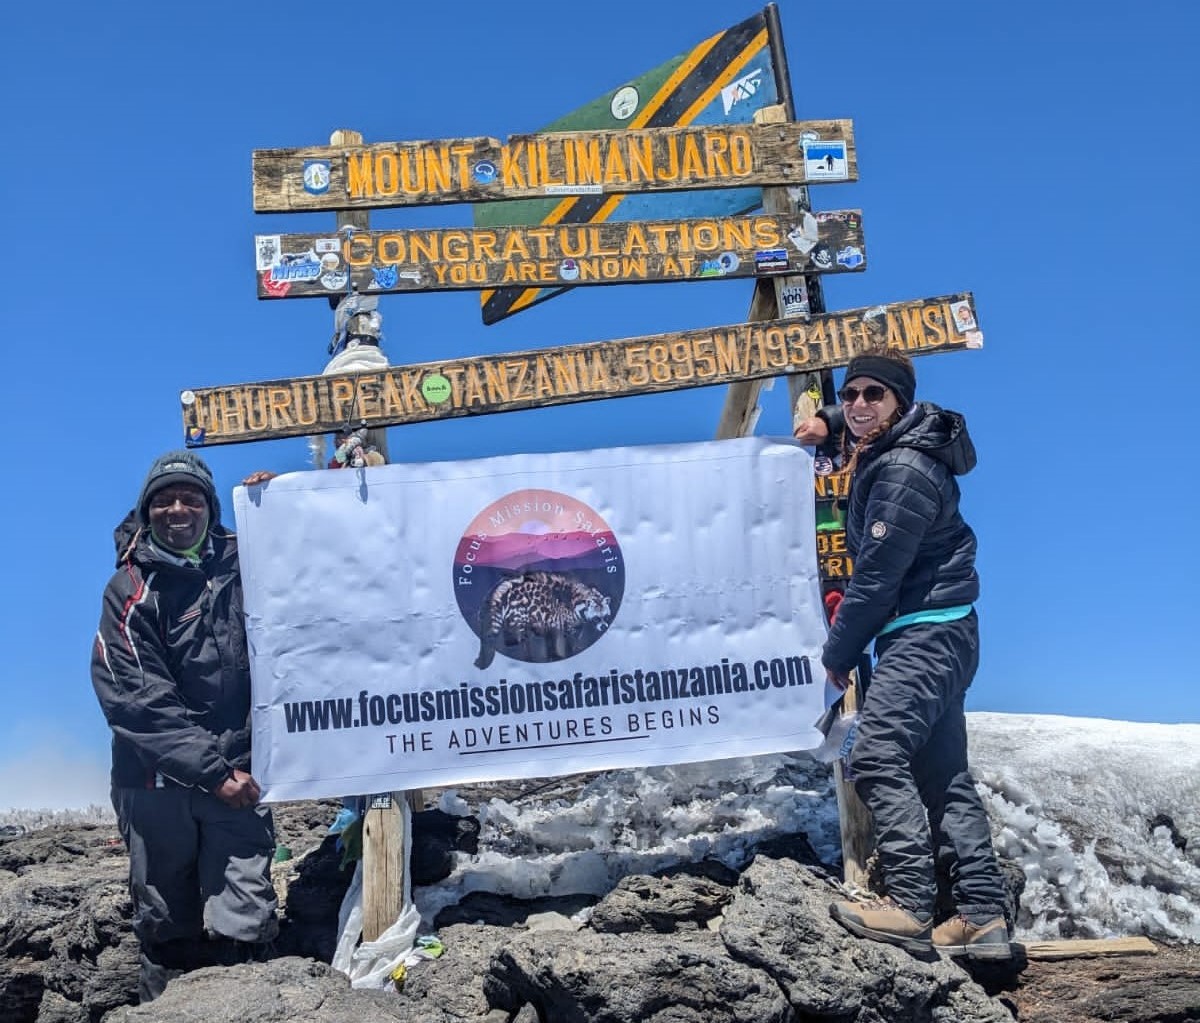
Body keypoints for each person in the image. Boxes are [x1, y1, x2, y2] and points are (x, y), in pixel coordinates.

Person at [795, 349, 1012, 960]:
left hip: (924, 634)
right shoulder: (904, 441)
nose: (860, 404)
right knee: (944, 776)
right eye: (852, 393)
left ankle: (912, 906)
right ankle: (981, 916)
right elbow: (868, 415)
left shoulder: (901, 471)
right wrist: (831, 421)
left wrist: (838, 652)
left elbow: (875, 580)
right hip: (945, 630)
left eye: (873, 396)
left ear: (901, 404)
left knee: (873, 754)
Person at [90, 451, 279, 1001]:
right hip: (155, 787)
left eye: (191, 498)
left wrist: (278, 506)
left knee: (246, 918)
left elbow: (315, 557)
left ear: (210, 507)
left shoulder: (247, 562)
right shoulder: (128, 590)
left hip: (238, 783)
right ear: (147, 511)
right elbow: (134, 698)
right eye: (164, 500)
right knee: (168, 923)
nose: (178, 509)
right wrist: (212, 771)